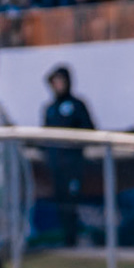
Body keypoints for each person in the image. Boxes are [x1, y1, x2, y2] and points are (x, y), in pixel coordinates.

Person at [43, 64, 95, 247]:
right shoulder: (49, 108)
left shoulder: (77, 105)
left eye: (61, 81)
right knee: (60, 202)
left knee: (73, 201)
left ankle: (74, 239)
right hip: (55, 165)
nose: (58, 85)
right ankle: (66, 239)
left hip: (73, 164)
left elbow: (89, 130)